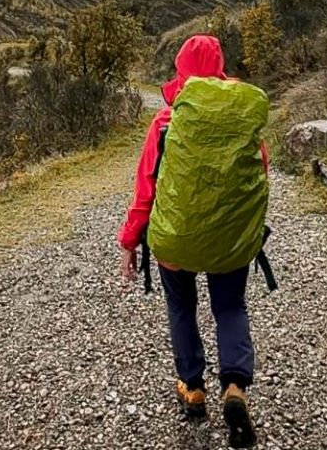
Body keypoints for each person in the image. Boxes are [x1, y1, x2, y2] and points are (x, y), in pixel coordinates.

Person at [118, 35, 269, 448]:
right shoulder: (240, 121)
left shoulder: (165, 121)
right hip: (229, 243)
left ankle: (193, 389)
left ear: (181, 71)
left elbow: (146, 190)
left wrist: (130, 242)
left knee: (182, 307)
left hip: (175, 244)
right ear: (220, 70)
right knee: (230, 305)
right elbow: (260, 176)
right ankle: (235, 386)